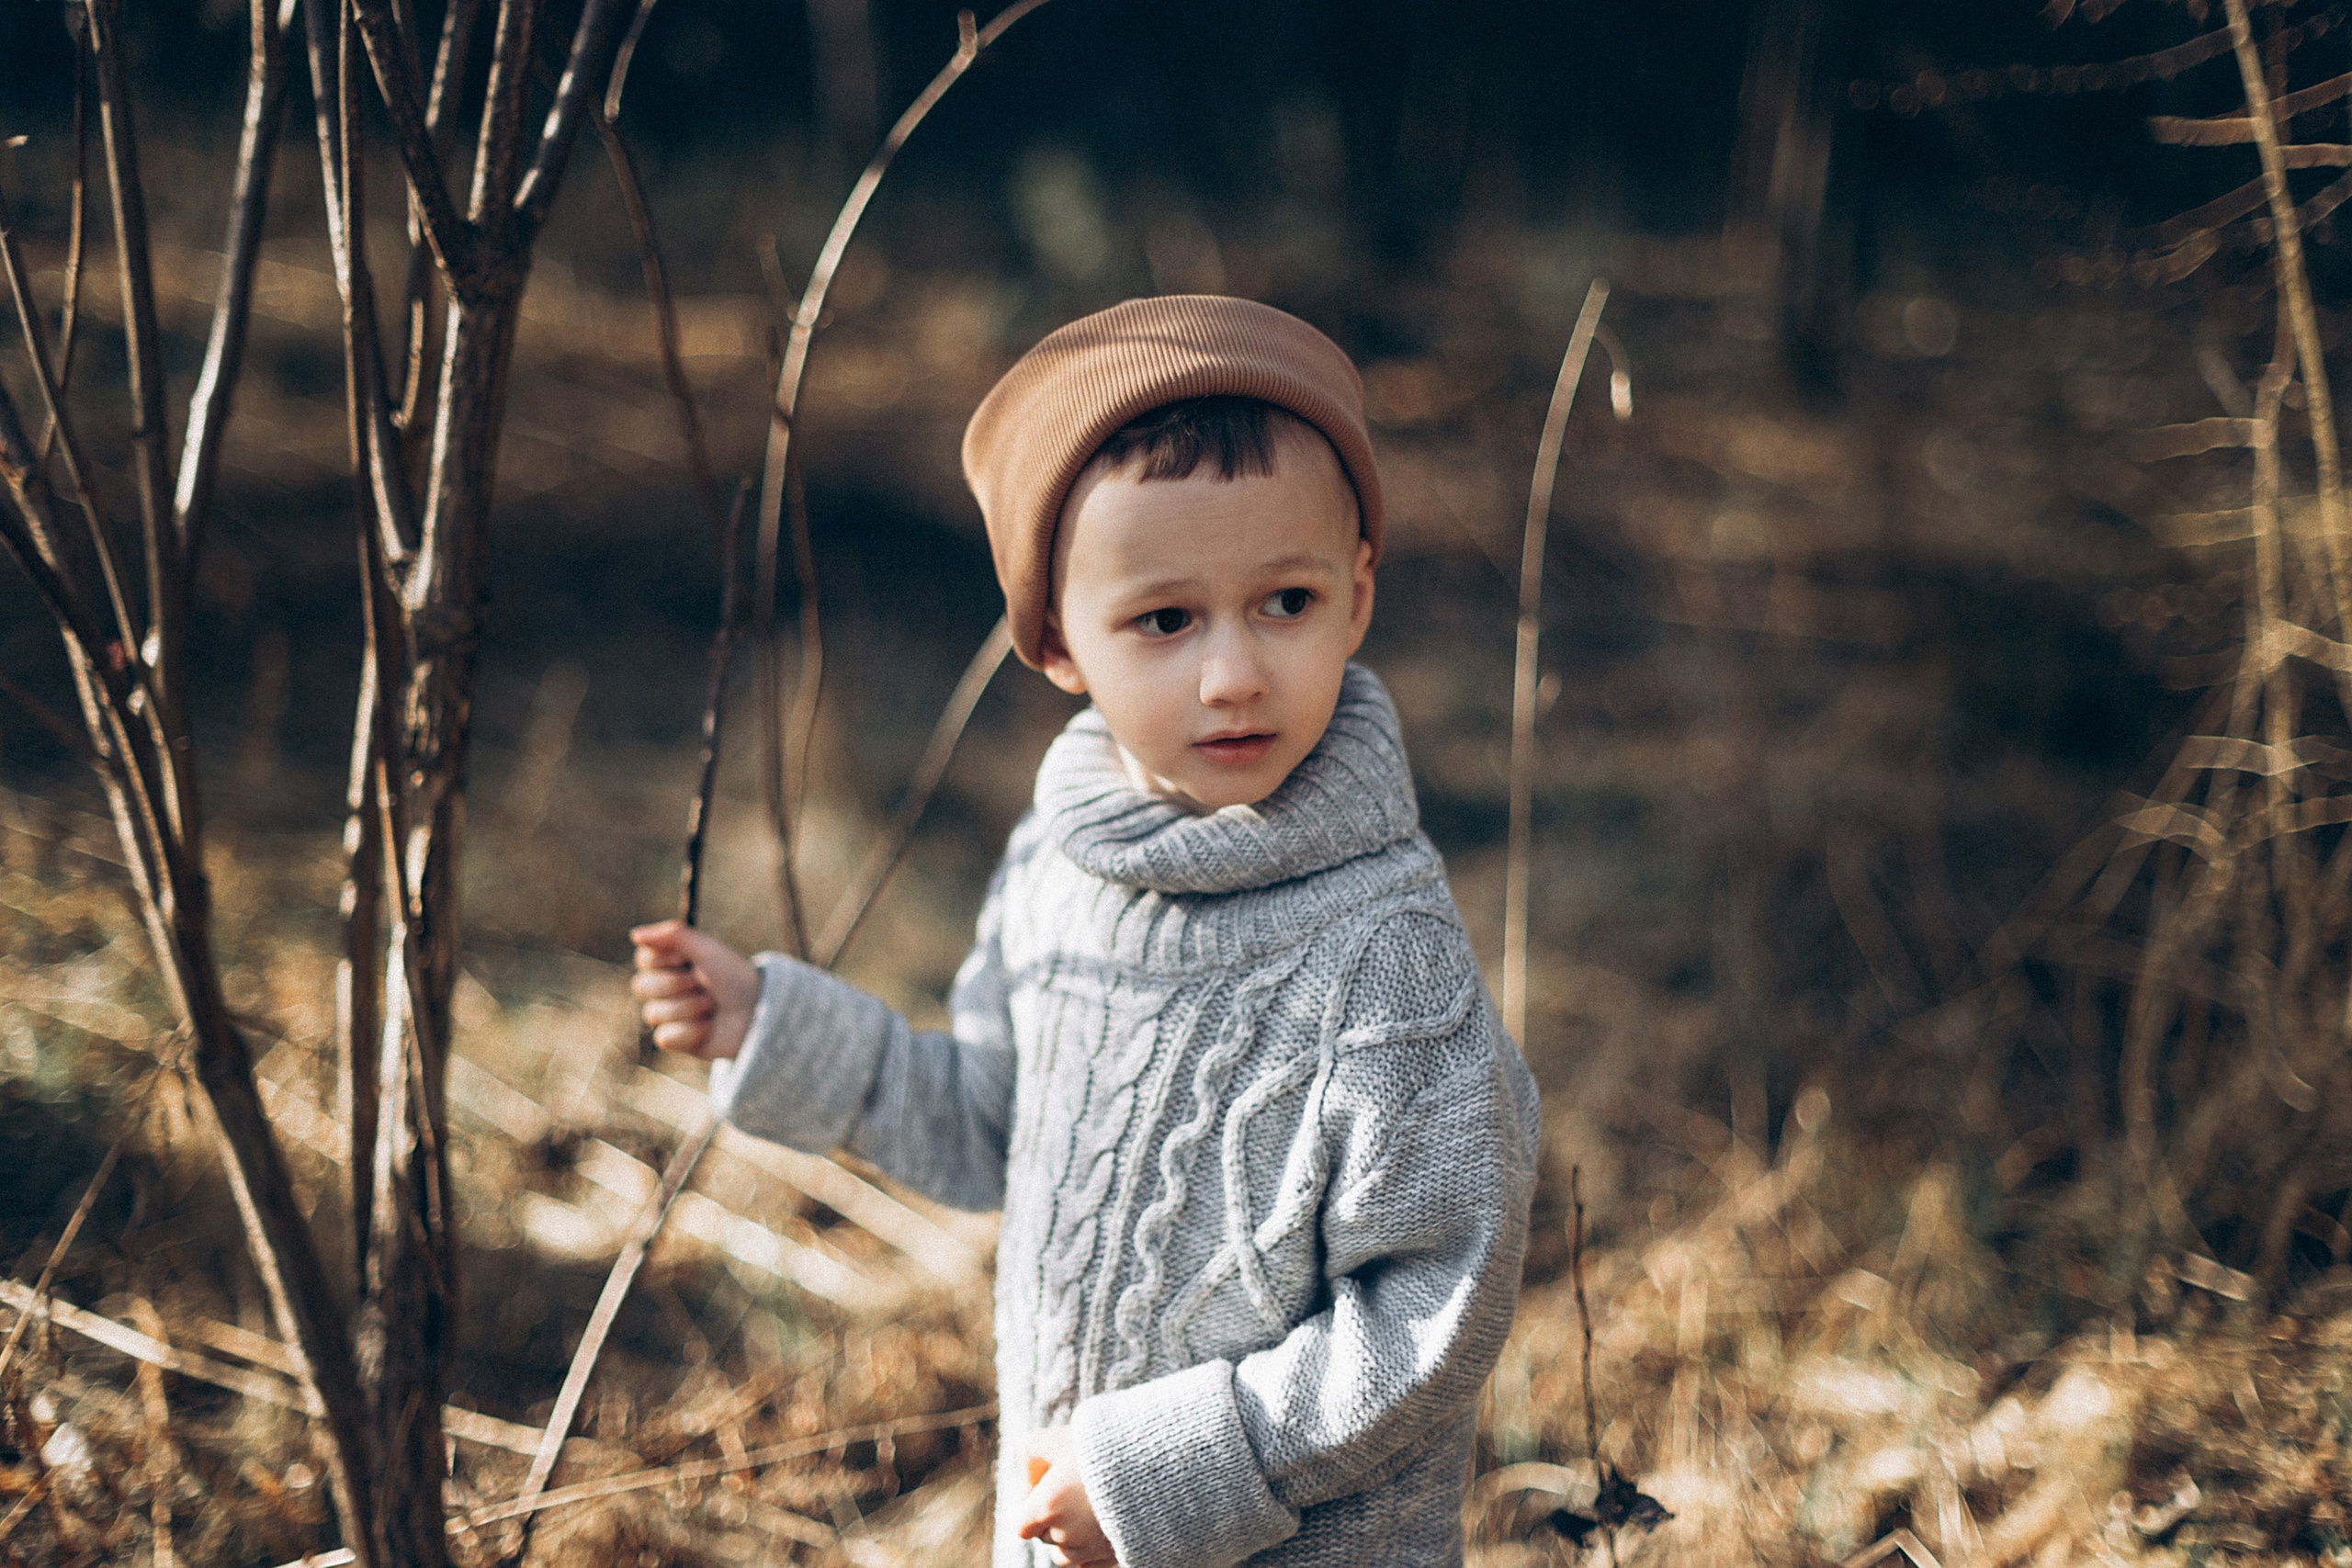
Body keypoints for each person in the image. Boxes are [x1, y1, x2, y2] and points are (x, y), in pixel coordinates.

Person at [629, 295, 1541, 1568]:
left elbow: (1430, 1314)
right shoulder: (1057, 871)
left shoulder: (1385, 959)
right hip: (1071, 1529)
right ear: (1056, 640)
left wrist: (1163, 1480)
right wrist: (773, 1028)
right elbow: (996, 1123)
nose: (1233, 674)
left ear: (1358, 595)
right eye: (1166, 621)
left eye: (1286, 601)